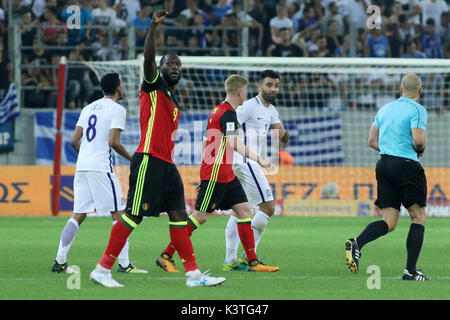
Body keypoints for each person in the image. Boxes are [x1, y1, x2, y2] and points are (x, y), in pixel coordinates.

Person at [89, 9, 225, 288]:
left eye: (178, 64)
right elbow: (148, 58)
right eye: (169, 64)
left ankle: (194, 275)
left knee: (179, 218)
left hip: (166, 165)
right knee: (132, 216)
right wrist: (153, 26)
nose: (174, 67)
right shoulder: (152, 86)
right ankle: (102, 269)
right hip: (149, 160)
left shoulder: (173, 98)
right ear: (161, 68)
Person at [155, 74, 279, 273]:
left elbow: (207, 140)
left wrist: (204, 170)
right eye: (245, 92)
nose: (245, 95)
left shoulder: (217, 110)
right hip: (216, 175)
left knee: (244, 211)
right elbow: (233, 143)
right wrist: (260, 159)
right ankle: (166, 255)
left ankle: (253, 262)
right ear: (240, 92)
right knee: (200, 217)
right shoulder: (228, 113)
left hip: (225, 174)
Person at [51, 72, 146, 275]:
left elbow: (74, 141)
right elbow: (114, 142)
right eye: (121, 84)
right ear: (118, 88)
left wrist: (87, 156)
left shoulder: (88, 108)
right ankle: (124, 264)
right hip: (101, 168)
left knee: (78, 214)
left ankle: (59, 261)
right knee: (120, 214)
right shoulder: (118, 109)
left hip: (82, 166)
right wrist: (133, 159)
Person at [345, 73, 430, 281]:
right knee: (418, 217)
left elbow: (371, 140)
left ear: (400, 89)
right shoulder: (417, 109)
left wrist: (391, 150)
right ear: (420, 90)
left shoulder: (385, 108)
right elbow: (419, 141)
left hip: (384, 164)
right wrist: (419, 149)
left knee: (389, 221)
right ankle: (410, 270)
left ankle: (357, 242)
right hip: (407, 165)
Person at [224, 70, 289, 271]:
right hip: (244, 162)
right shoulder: (249, 107)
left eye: (276, 85)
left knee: (239, 210)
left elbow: (282, 135)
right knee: (268, 207)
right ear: (259, 86)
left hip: (245, 163)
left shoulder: (271, 111)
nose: (273, 89)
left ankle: (230, 260)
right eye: (269, 85)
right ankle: (248, 257)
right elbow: (230, 125)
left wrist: (282, 134)